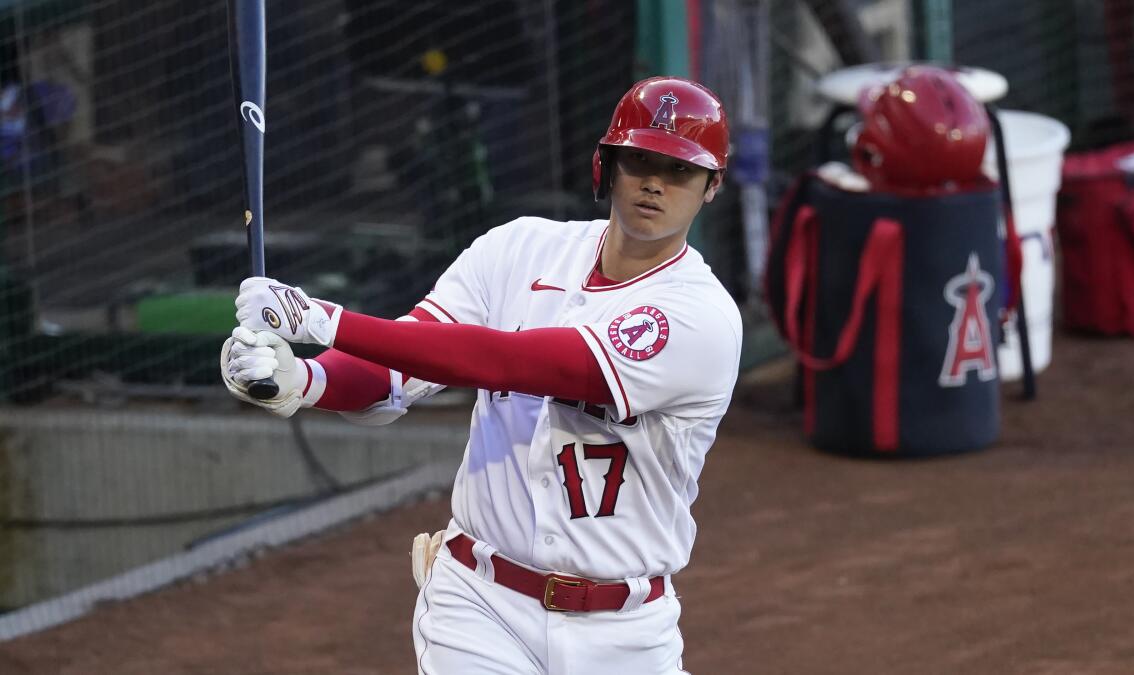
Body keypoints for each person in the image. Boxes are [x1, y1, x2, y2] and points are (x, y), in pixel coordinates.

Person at [220, 76, 742, 675]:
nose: (654, 182)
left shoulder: (700, 316)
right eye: (640, 160)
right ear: (607, 166)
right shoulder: (517, 250)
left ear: (710, 187)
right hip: (480, 605)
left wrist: (322, 320)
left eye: (678, 169)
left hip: (626, 632)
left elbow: (512, 362)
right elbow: (403, 363)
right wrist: (302, 378)